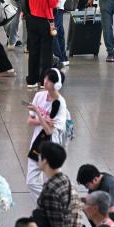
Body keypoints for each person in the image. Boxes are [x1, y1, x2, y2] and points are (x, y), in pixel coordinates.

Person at [26, 68, 70, 198]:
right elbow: (29, 120)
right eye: (45, 78)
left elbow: (49, 130)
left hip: (51, 146)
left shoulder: (60, 104)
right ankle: (45, 204)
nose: (45, 82)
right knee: (31, 182)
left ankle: (51, 204)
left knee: (54, 181)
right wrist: (42, 120)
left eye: (50, 80)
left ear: (57, 84)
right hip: (37, 143)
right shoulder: (39, 96)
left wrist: (38, 114)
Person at [25, 0, 58, 88]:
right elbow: (53, 4)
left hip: (32, 21)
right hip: (45, 22)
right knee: (46, 52)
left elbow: (27, 1)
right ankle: (45, 81)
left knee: (33, 51)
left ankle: (32, 80)